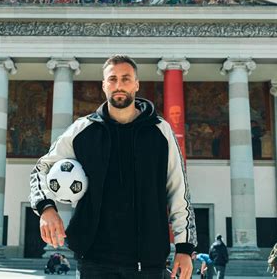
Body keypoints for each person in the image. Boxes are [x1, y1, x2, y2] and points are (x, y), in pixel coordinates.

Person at [30, 55, 197, 279]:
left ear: (137, 84)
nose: (119, 85)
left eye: (126, 79)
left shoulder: (161, 131)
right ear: (104, 85)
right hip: (94, 262)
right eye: (112, 79)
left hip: (148, 263)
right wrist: (46, 208)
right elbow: (41, 169)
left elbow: (179, 192)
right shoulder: (82, 130)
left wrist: (184, 248)